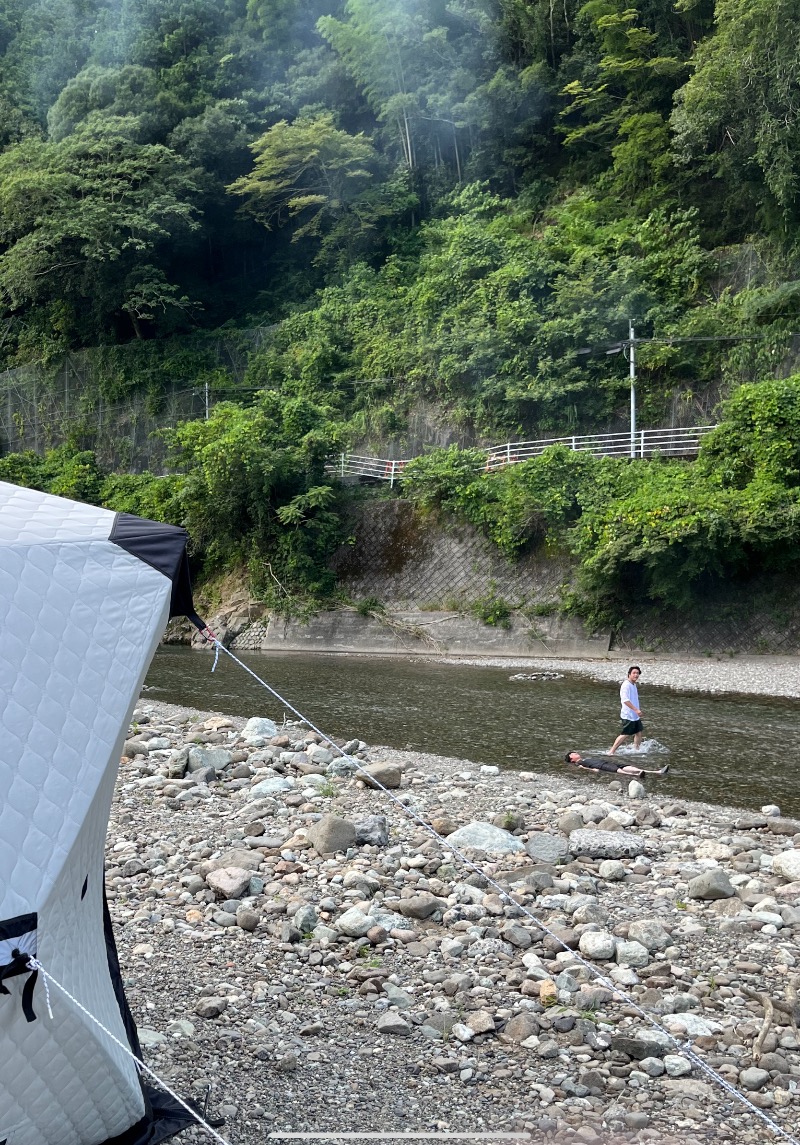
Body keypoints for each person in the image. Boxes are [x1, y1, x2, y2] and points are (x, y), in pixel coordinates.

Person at [609, 665, 644, 754]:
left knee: (639, 732)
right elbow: (625, 700)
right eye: (634, 673)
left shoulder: (633, 684)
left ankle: (636, 750)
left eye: (637, 673)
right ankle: (611, 751)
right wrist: (636, 710)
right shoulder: (626, 685)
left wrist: (636, 711)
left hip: (635, 715)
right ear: (629, 674)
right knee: (625, 734)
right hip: (628, 714)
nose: (636, 675)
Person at [564, 751, 668, 778]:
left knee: (627, 767)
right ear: (572, 759)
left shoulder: (585, 758)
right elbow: (582, 768)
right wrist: (592, 770)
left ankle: (657, 772)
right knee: (617, 770)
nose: (575, 753)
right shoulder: (578, 763)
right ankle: (636, 775)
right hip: (601, 766)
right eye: (573, 754)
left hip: (606, 762)